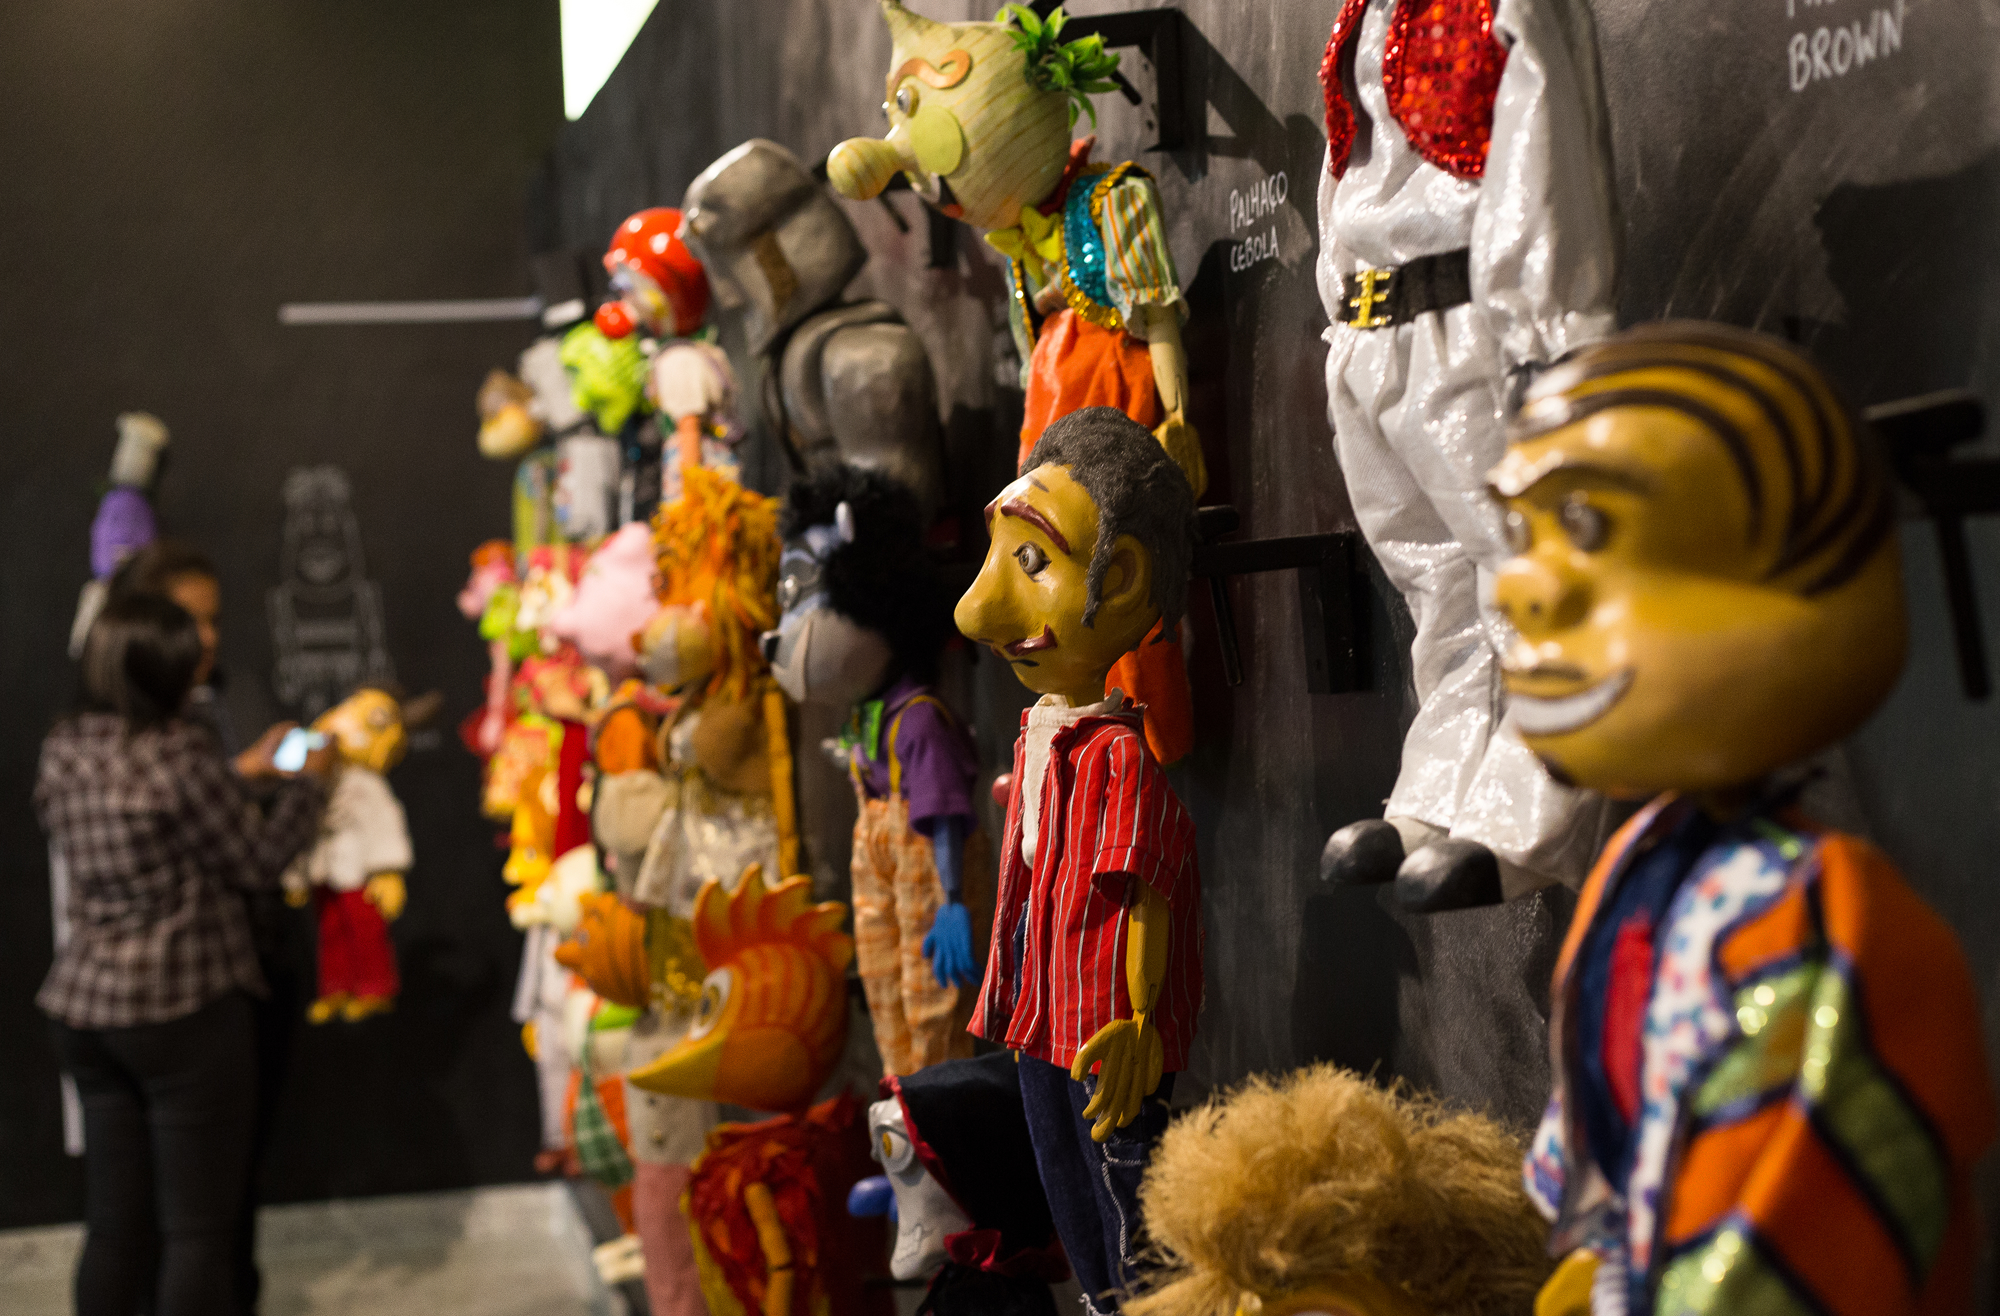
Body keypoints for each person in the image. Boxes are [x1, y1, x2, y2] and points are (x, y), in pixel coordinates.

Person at [38, 591, 332, 1316]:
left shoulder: (64, 746)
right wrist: (310, 785)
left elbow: (154, 812)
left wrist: (245, 772)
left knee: (114, 1226)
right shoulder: (181, 751)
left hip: (85, 1008)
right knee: (197, 1232)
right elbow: (256, 861)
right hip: (183, 1010)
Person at [109, 538, 302, 1314]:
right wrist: (290, 787)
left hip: (239, 966)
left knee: (218, 1198)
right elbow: (247, 853)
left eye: (214, 619)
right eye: (188, 620)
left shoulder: (225, 693)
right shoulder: (148, 732)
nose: (206, 638)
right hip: (187, 989)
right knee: (183, 1222)